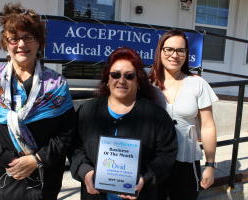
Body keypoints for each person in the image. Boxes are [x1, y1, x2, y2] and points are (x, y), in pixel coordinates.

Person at [0, 3, 76, 200]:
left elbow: (67, 132)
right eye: (14, 38)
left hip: (43, 182)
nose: (21, 44)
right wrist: (8, 159)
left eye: (28, 37)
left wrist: (37, 159)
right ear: (5, 44)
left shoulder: (56, 85)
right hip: (2, 179)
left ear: (39, 42)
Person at [70, 47, 177, 200]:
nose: (121, 80)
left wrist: (144, 178)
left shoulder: (156, 116)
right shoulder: (87, 112)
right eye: (115, 75)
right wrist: (86, 172)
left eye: (129, 76)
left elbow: (166, 155)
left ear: (138, 81)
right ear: (107, 79)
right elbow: (75, 147)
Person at [149, 30, 218, 200]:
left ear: (187, 54)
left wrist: (210, 165)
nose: (174, 55)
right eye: (169, 49)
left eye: (181, 50)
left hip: (185, 161)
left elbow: (208, 126)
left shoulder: (198, 84)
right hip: (153, 160)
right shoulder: (147, 83)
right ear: (160, 51)